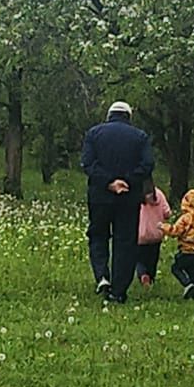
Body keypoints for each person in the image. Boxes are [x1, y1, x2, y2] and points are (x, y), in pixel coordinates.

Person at [81, 101, 154, 303]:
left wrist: (109, 182)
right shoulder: (140, 136)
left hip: (99, 196)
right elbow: (147, 164)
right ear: (129, 116)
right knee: (125, 242)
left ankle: (102, 276)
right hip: (129, 198)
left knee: (98, 235)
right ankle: (119, 291)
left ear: (109, 115)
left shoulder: (94, 134)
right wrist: (127, 181)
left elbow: (87, 163)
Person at [160, 188, 194, 300]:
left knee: (176, 268)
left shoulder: (186, 218)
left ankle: (187, 284)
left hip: (186, 251)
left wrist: (163, 227)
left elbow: (176, 231)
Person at [136, 178, 171, 288]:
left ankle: (143, 275)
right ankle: (151, 277)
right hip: (156, 234)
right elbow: (167, 213)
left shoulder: (137, 196)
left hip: (140, 235)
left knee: (139, 259)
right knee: (153, 258)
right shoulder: (159, 194)